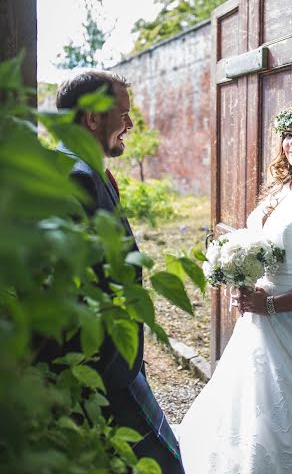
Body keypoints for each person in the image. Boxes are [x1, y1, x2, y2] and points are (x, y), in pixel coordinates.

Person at [179, 97, 292, 473]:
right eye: (287, 134)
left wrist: (271, 305)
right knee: (254, 420)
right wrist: (241, 280)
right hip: (263, 323)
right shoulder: (280, 191)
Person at [54, 71, 185, 473]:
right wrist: (111, 369)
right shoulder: (76, 179)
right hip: (102, 371)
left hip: (116, 367)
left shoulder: (83, 169)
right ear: (93, 119)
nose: (130, 124)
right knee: (164, 464)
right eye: (123, 114)